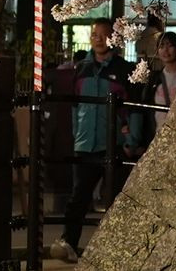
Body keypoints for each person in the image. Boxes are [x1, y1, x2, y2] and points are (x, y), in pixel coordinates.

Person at [49, 21, 126, 259]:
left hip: (112, 144)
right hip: (84, 144)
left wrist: (129, 138)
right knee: (79, 196)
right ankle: (68, 242)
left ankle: (113, 249)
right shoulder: (82, 68)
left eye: (104, 35)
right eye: (94, 34)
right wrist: (77, 134)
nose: (98, 39)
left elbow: (129, 109)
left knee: (114, 198)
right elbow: (75, 106)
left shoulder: (123, 69)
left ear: (113, 38)